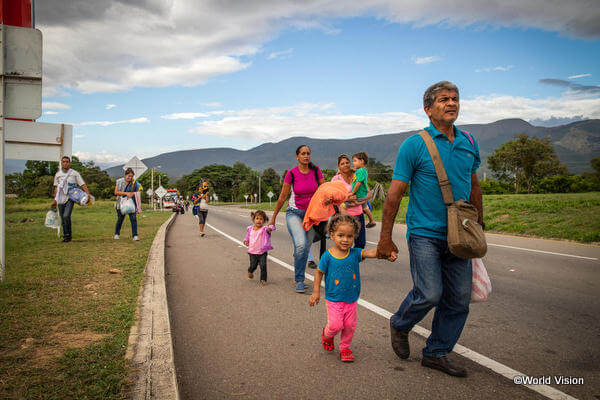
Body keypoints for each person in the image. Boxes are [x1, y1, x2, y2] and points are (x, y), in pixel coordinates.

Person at [376, 81, 483, 378]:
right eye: (444, 99)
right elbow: (395, 195)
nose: (451, 103)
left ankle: (436, 352)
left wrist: (479, 225)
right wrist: (385, 239)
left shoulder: (469, 142)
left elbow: (474, 185)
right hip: (424, 233)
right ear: (428, 109)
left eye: (455, 98)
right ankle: (400, 323)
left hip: (460, 233)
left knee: (459, 299)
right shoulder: (414, 145)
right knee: (430, 294)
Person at [309, 214, 392, 362]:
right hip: (334, 298)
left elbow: (371, 253)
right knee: (335, 326)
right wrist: (316, 292)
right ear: (332, 235)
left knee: (349, 326)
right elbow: (319, 273)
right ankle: (327, 335)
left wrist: (385, 252)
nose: (345, 240)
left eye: (350, 236)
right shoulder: (327, 256)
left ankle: (345, 348)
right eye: (341, 235)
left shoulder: (354, 253)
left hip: (351, 298)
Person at [269, 145, 324, 293]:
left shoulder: (316, 171)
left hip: (311, 215)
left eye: (308, 154)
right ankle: (299, 280)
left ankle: (299, 258)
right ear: (297, 156)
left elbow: (324, 190)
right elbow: (282, 197)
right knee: (301, 245)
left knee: (304, 248)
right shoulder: (291, 174)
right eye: (303, 154)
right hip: (294, 213)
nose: (306, 156)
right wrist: (273, 217)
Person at [331, 154, 371, 249]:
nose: (345, 165)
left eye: (347, 162)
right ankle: (345, 262)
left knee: (361, 244)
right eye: (342, 163)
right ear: (338, 166)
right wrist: (347, 199)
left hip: (358, 214)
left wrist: (359, 203)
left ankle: (353, 261)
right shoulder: (336, 179)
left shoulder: (357, 175)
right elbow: (333, 199)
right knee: (345, 244)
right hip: (344, 217)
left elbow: (368, 194)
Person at [51, 156, 91, 243]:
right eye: (64, 162)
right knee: (63, 217)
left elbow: (82, 184)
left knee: (66, 216)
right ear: (61, 163)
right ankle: (66, 236)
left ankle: (68, 235)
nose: (65, 163)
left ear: (70, 163)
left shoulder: (74, 173)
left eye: (67, 162)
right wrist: (55, 200)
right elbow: (56, 188)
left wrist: (88, 194)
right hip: (61, 198)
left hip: (70, 198)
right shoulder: (58, 175)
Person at [243, 210, 275, 286]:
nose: (259, 220)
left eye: (261, 219)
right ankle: (250, 271)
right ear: (254, 219)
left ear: (264, 221)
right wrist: (246, 241)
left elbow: (270, 228)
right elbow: (247, 237)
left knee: (263, 266)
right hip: (252, 252)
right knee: (253, 265)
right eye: (257, 218)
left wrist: (270, 227)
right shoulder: (250, 229)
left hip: (262, 252)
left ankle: (263, 279)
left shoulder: (264, 229)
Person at [346, 152, 376, 228]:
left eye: (355, 161)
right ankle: (372, 220)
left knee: (347, 203)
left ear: (361, 161)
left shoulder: (361, 171)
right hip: (362, 194)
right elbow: (356, 172)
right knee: (365, 207)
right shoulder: (361, 170)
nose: (353, 163)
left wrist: (352, 192)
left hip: (360, 194)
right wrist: (351, 170)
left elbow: (358, 183)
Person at [114, 168, 141, 241]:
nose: (130, 178)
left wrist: (133, 193)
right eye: (128, 176)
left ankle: (135, 235)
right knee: (120, 219)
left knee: (133, 219)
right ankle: (117, 234)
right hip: (121, 204)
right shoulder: (119, 181)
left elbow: (138, 190)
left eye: (131, 176)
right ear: (125, 175)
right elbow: (116, 192)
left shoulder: (134, 183)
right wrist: (126, 193)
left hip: (131, 204)